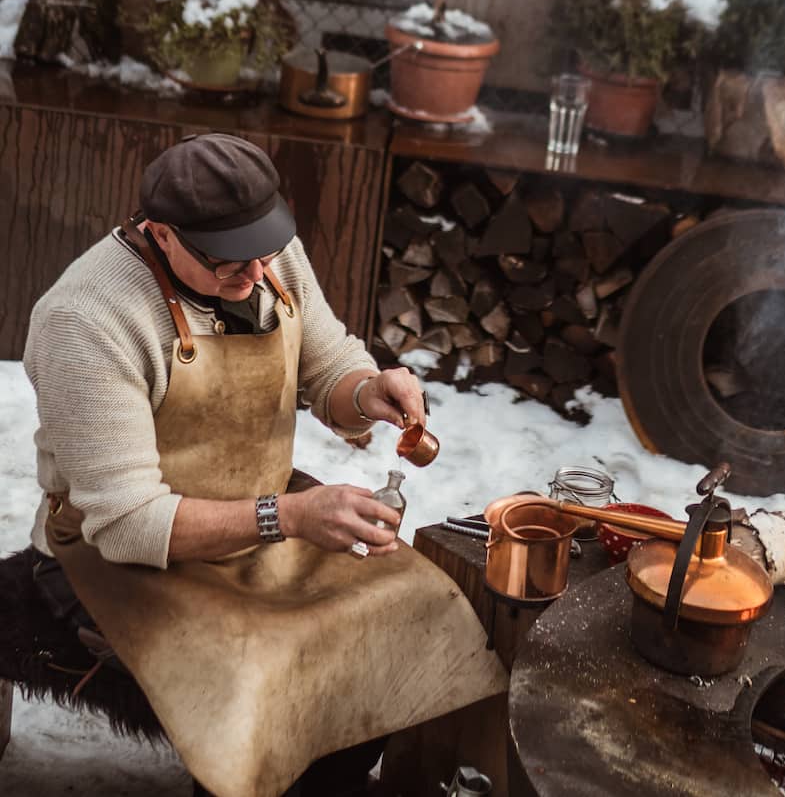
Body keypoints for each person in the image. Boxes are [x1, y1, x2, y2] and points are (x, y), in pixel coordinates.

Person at [23, 132, 506, 797]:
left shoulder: (260, 254)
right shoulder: (86, 321)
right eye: (229, 265)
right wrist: (292, 516)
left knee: (411, 605)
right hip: (120, 556)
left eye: (265, 251)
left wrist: (366, 391)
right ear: (161, 234)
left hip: (261, 518)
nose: (255, 276)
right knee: (261, 667)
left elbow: (328, 362)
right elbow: (128, 524)